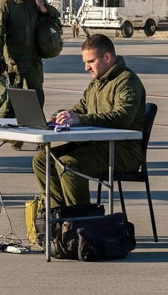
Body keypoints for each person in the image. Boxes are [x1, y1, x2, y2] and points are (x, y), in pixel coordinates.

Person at [34, 34, 148, 209]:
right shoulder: (96, 84)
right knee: (42, 159)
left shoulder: (126, 81)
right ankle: (58, 214)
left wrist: (80, 119)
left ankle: (81, 219)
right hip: (97, 146)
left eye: (91, 61)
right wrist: (60, 116)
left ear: (107, 57)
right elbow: (79, 109)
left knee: (69, 164)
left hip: (123, 151)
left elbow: (122, 118)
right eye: (85, 62)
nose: (86, 67)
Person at [0, 0, 63, 147]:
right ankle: (16, 138)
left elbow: (55, 17)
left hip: (33, 62)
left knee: (37, 100)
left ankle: (39, 138)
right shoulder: (6, 5)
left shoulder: (34, 2)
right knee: (15, 103)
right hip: (15, 64)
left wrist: (44, 9)